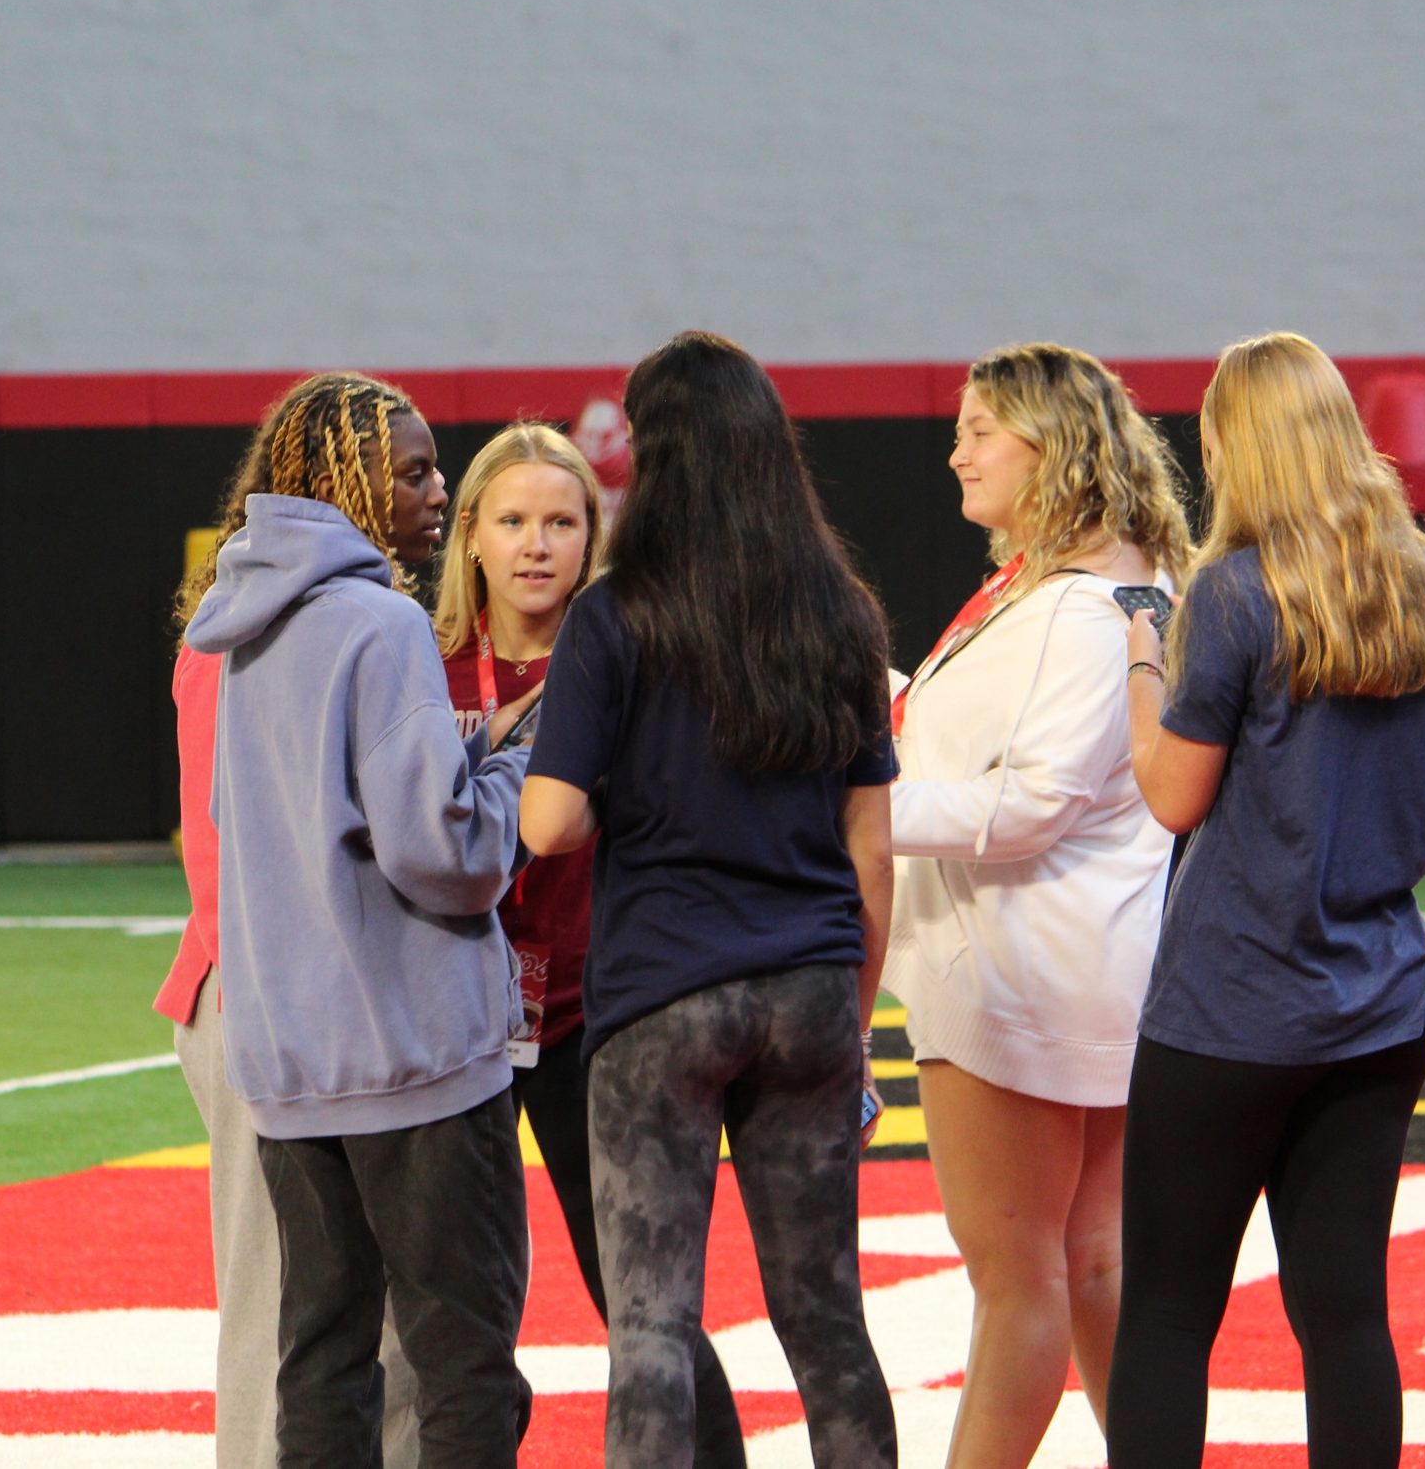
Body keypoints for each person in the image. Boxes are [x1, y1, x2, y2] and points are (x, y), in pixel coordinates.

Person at [1106, 332, 1425, 1469]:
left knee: (1171, 1315)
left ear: (1235, 447)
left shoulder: (1230, 595)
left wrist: (1143, 663)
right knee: (1345, 1318)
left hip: (1233, 1007)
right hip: (1379, 1003)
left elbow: (1174, 799)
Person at [519, 330, 898, 1468]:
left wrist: (629, 797)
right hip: (812, 989)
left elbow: (546, 823)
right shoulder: (839, 610)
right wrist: (855, 1012)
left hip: (661, 996)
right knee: (827, 1321)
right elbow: (872, 847)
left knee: (650, 1325)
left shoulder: (615, 613)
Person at [182, 371, 543, 1469]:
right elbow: (446, 857)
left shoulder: (234, 627)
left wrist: (466, 759)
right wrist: (523, 765)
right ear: (347, 479)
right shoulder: (381, 623)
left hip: (290, 1064)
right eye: (416, 469)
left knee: (323, 1359)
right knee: (464, 1362)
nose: (441, 492)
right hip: (412, 1053)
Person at [883, 344, 1190, 1464]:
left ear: (1049, 447)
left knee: (1019, 1285)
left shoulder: (1076, 605)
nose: (955, 448)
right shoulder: (1085, 583)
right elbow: (976, 746)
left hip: (1017, 976)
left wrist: (853, 808)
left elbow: (1032, 805)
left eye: (979, 428)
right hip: (1077, 965)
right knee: (1092, 1267)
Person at [433, 422, 750, 1468]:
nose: (536, 544)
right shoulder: (416, 665)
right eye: (513, 520)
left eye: (561, 521)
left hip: (596, 1018)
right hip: (453, 1025)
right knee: (452, 1312)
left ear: (592, 534)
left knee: (641, 1297)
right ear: (469, 534)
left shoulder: (630, 656)